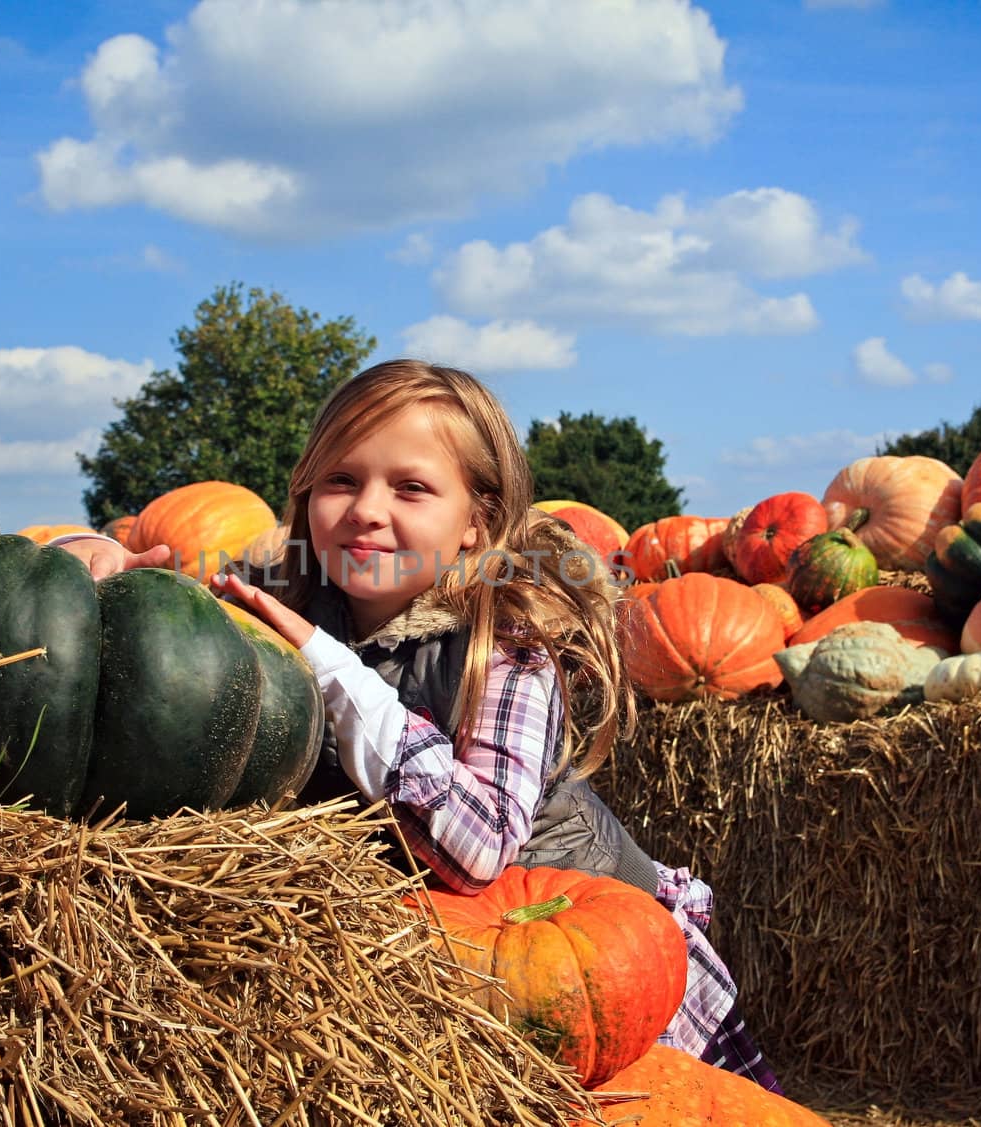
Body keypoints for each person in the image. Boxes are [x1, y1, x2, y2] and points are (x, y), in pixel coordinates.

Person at [55, 358, 780, 1092]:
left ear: (477, 523)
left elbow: (481, 848)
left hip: (587, 972)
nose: (367, 509)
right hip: (430, 983)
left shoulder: (508, 647)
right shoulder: (292, 593)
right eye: (341, 480)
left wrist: (333, 671)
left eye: (411, 488)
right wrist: (95, 560)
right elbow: (169, 606)